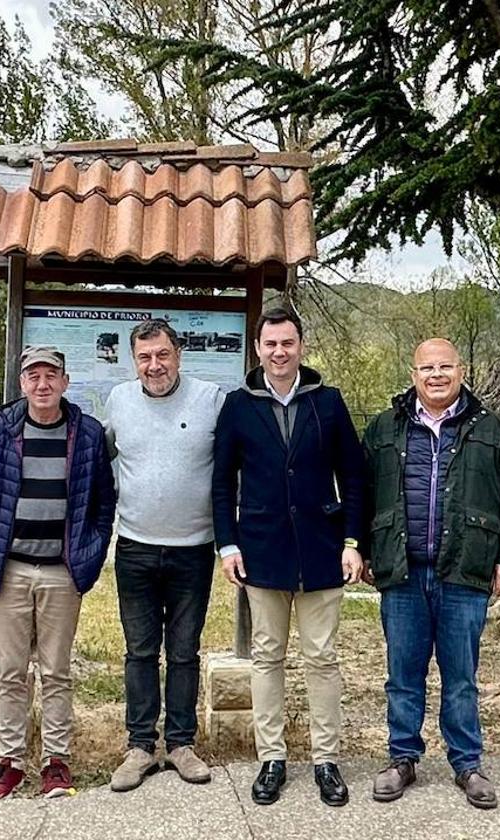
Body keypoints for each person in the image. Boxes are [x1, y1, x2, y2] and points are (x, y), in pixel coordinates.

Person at [362, 338, 500, 810]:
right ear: (413, 373)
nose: (436, 375)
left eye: (445, 367)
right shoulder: (386, 427)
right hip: (403, 572)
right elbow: (364, 492)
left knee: (460, 677)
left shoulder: (490, 428)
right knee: (403, 674)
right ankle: (402, 759)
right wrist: (364, 549)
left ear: (462, 370)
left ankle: (467, 764)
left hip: (464, 572)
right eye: (426, 368)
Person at [212, 307, 366, 807]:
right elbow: (220, 483)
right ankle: (271, 758)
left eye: (288, 343)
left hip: (321, 551)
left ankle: (326, 760)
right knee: (267, 656)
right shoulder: (238, 406)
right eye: (271, 344)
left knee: (322, 658)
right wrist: (228, 543)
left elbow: (355, 477)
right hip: (261, 551)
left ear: (301, 346)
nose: (280, 352)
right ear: (257, 349)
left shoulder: (329, 403)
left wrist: (352, 542)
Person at [0, 345, 116, 800]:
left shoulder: (86, 434)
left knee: (56, 671)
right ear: (22, 382)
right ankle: (10, 762)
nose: (42, 384)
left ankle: (56, 761)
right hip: (9, 570)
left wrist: (90, 551)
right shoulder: (1, 431)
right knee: (10, 670)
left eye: (51, 375)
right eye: (33, 376)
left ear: (65, 382)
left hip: (61, 572)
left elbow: (104, 503)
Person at [101, 319, 226, 791]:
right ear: (135, 361)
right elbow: (101, 459)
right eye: (144, 357)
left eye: (162, 355)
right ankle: (139, 746)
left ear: (178, 354)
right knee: (139, 650)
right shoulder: (119, 401)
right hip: (134, 546)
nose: (154, 366)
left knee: (184, 651)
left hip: (194, 549)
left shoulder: (211, 400)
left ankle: (180, 744)